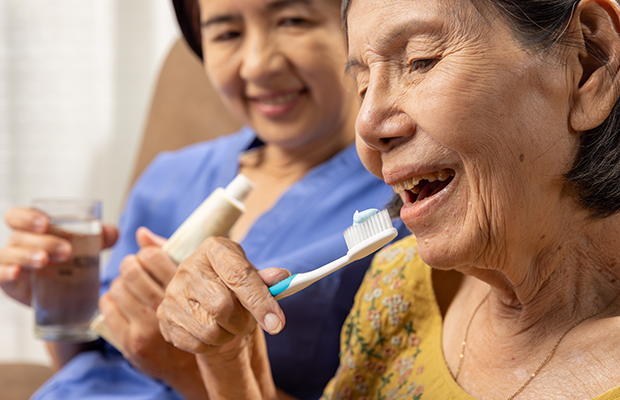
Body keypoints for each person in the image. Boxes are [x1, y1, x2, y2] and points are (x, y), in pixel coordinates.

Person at [156, 0, 620, 398]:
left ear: (588, 62)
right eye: (361, 87)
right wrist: (228, 360)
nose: (367, 127)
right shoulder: (396, 286)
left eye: (421, 60)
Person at [0, 0, 407, 399]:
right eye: (227, 33)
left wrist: (188, 367)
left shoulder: (405, 196)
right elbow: (98, 365)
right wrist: (57, 300)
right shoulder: (168, 177)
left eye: (292, 21)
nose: (258, 64)